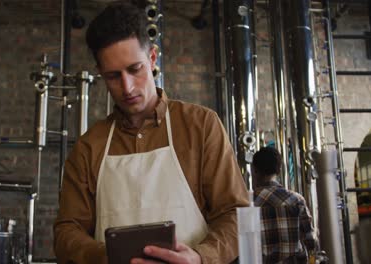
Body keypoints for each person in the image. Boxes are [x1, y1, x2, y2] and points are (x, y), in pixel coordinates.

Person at [53, 3, 249, 263]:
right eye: (113, 76)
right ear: (100, 74)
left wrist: (201, 257)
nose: (127, 87)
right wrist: (107, 256)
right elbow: (67, 232)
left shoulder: (201, 125)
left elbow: (235, 214)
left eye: (135, 69)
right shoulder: (89, 147)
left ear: (153, 58)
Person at [251, 147, 317, 263]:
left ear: (255, 170)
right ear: (279, 170)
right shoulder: (296, 199)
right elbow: (311, 240)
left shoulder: (247, 203)